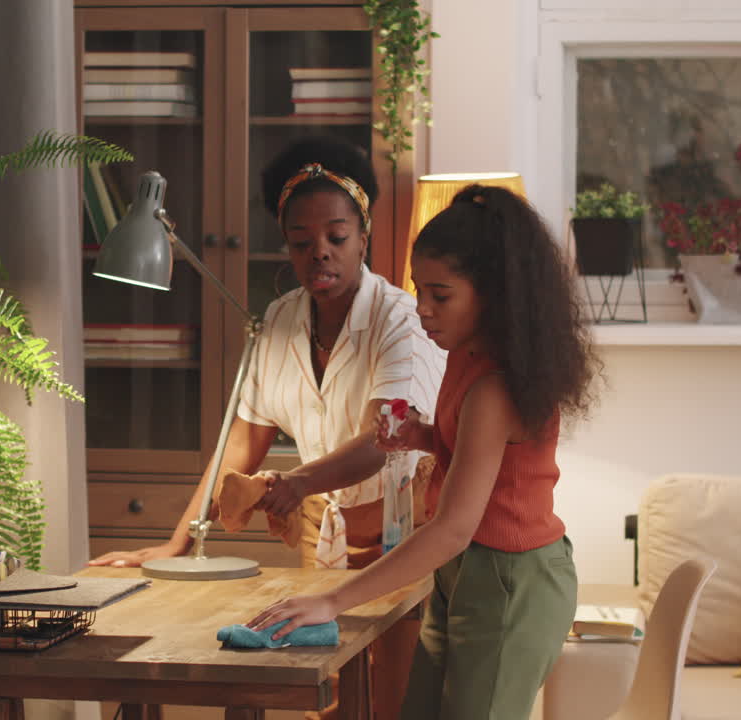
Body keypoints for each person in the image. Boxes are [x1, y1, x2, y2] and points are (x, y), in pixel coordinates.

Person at [88, 135, 446, 719]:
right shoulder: (279, 320)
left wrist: (297, 482)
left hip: (397, 537)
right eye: (302, 243)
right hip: (318, 537)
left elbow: (384, 443)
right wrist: (175, 545)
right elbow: (240, 444)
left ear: (364, 237)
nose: (319, 254)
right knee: (323, 701)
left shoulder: (399, 321)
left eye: (336, 237)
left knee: (393, 706)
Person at [247, 184, 600, 720]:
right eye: (418, 291)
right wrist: (425, 436)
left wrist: (335, 600)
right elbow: (484, 455)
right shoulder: (464, 355)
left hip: (510, 581)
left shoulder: (495, 386)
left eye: (441, 295)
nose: (423, 310)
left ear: (493, 294)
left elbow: (454, 526)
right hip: (467, 571)